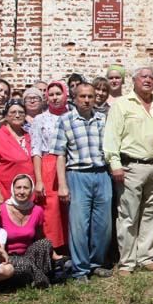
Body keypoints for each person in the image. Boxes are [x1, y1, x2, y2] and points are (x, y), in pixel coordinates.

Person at [104, 67, 153, 274]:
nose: (148, 80)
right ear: (133, 80)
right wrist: (114, 164)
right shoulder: (122, 105)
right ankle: (127, 262)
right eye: (144, 77)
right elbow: (111, 136)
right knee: (128, 215)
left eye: (151, 77)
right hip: (132, 166)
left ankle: (146, 256)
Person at [53, 83, 113, 281]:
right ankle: (80, 269)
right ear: (75, 98)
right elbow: (60, 154)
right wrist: (62, 184)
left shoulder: (102, 119)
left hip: (102, 174)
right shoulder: (66, 120)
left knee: (103, 225)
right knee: (79, 225)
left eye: (90, 96)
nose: (87, 100)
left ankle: (96, 263)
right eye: (82, 97)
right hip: (77, 175)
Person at [30, 81, 69, 255]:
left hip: (71, 164)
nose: (54, 98)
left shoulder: (73, 115)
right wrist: (39, 180)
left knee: (70, 209)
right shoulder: (40, 119)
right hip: (49, 165)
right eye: (51, 94)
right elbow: (36, 150)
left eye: (58, 94)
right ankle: (53, 250)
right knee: (52, 211)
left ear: (65, 94)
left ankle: (70, 247)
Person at [0, 174, 54, 288]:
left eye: (26, 188)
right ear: (12, 189)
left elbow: (40, 238)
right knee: (23, 265)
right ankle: (40, 279)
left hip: (28, 254)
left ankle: (34, 277)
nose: (22, 191)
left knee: (46, 243)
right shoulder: (2, 210)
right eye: (18, 187)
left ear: (31, 190)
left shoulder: (37, 210)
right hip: (9, 257)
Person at [0, 99, 34, 204]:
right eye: (13, 112)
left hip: (29, 194)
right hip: (6, 193)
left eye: (21, 112)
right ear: (6, 116)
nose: (17, 115)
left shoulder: (30, 136)